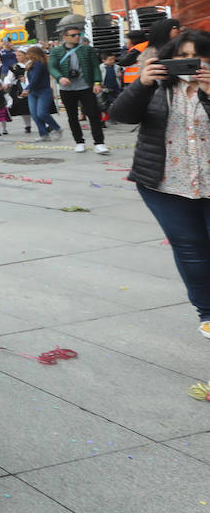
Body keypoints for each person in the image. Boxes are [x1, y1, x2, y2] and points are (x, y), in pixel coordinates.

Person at [109, 28, 210, 341]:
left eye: (198, 54)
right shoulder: (157, 87)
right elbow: (119, 116)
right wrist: (141, 83)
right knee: (191, 249)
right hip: (166, 185)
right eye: (181, 55)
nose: (189, 61)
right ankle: (207, 313)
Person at [49, 21, 109, 154]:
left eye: (79, 34)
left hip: (86, 87)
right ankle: (79, 142)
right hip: (67, 90)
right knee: (72, 116)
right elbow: (52, 67)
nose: (77, 37)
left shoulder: (87, 49)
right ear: (64, 37)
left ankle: (99, 143)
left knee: (93, 114)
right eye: (73, 35)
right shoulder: (56, 51)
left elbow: (95, 67)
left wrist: (97, 82)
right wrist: (60, 77)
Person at [23, 46, 63, 141]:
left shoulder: (40, 64)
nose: (27, 55)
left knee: (42, 113)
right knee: (35, 114)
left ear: (34, 54)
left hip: (43, 91)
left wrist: (27, 88)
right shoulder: (32, 63)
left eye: (29, 53)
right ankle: (43, 134)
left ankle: (57, 128)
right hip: (33, 92)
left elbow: (36, 78)